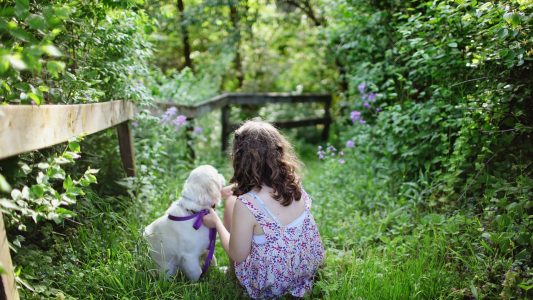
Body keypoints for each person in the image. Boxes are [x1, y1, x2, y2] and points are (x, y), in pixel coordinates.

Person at [202, 120, 325, 299]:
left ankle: (232, 273)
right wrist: (237, 188)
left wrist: (217, 223)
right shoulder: (293, 183)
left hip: (272, 284)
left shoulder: (246, 204)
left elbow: (239, 255)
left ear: (240, 158)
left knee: (231, 203)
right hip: (306, 269)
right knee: (236, 202)